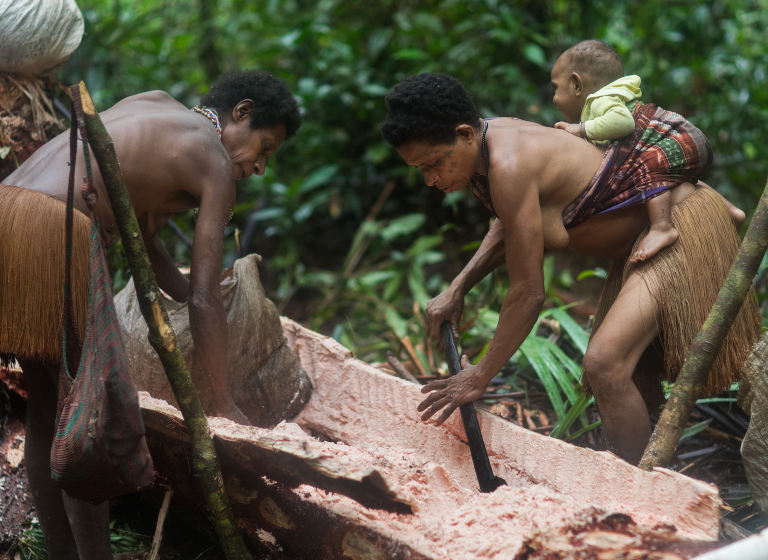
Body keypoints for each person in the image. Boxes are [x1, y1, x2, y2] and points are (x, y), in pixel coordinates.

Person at [380, 72, 760, 468]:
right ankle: (642, 481)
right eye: (419, 169)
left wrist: (479, 376)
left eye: (433, 163)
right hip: (648, 240)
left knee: (605, 363)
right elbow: (510, 220)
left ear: (463, 134)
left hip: (679, 228)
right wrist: (459, 287)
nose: (429, 179)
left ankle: (641, 496)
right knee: (619, 371)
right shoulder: (490, 142)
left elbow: (528, 293)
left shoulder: (508, 165)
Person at [0, 70, 301, 559]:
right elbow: (204, 299)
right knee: (92, 415)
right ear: (240, 114)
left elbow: (144, 237)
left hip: (7, 211)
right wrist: (223, 402)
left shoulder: (154, 103)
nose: (260, 166)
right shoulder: (215, 162)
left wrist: (189, 293)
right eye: (265, 148)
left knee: (46, 406)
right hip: (53, 233)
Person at [550, 39, 745, 262]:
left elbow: (623, 124)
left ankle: (662, 228)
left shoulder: (599, 101)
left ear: (576, 84)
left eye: (556, 87)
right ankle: (731, 212)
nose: (554, 98)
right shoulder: (614, 98)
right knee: (672, 175)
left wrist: (582, 129)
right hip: (684, 139)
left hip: (678, 140)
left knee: (648, 164)